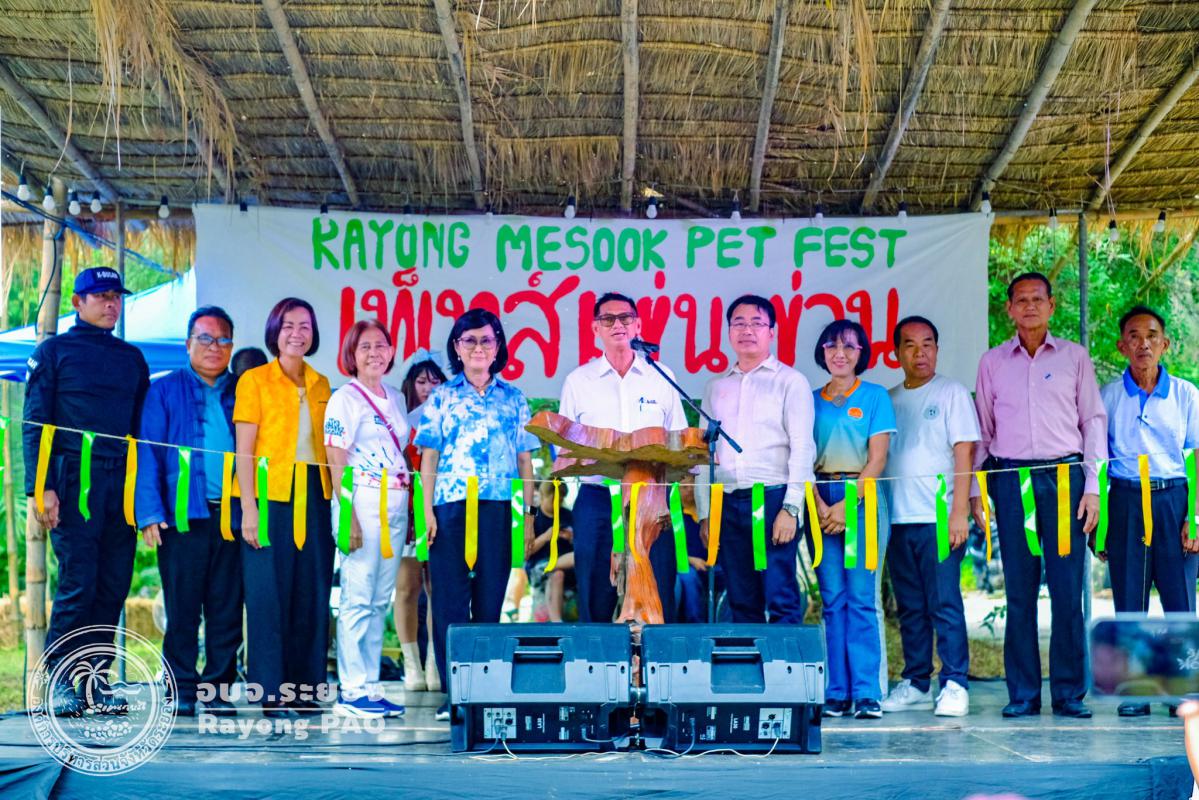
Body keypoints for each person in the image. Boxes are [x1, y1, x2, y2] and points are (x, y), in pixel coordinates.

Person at [971, 271, 1107, 719]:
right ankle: (1023, 694)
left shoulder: (1074, 357)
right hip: (1012, 481)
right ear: (1009, 308)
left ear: (1052, 306)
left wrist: (1093, 488)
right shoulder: (992, 362)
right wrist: (977, 491)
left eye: (1037, 299)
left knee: (1067, 591)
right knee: (1019, 590)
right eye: (1021, 300)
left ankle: (1068, 693)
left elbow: (1093, 422)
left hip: (1066, 479)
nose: (1029, 306)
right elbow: (983, 431)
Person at [23, 267, 150, 716]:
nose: (111, 303)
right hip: (73, 479)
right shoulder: (53, 351)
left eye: (117, 296)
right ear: (78, 302)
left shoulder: (132, 358)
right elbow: (34, 424)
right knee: (79, 581)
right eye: (101, 296)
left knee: (113, 584)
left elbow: (142, 431)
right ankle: (59, 681)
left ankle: (94, 680)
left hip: (122, 482)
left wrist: (145, 496)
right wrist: (40, 489)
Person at [415, 308, 538, 721]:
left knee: (489, 600)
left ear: (498, 346)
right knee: (449, 603)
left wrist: (528, 516)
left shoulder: (514, 397)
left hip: (499, 509)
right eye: (469, 340)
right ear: (457, 347)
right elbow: (429, 458)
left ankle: (485, 691)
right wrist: (426, 512)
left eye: (487, 340)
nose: (479, 348)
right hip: (449, 510)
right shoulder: (442, 396)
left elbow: (525, 461)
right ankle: (455, 696)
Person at [135, 305, 242, 718]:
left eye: (223, 339)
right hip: (182, 516)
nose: (214, 347)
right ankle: (180, 687)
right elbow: (147, 452)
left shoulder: (243, 390)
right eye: (205, 338)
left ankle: (218, 688)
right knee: (182, 607)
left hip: (235, 518)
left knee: (226, 608)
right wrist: (149, 512)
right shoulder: (163, 390)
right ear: (187, 343)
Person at [558, 292, 687, 623]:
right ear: (595, 329)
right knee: (595, 593)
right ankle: (597, 657)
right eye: (608, 319)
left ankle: (657, 656)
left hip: (652, 499)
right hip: (598, 498)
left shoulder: (661, 376)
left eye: (625, 318)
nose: (618, 324)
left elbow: (679, 441)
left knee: (658, 590)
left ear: (638, 325)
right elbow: (563, 449)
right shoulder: (578, 381)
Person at [234, 297, 333, 717]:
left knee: (313, 592)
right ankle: (271, 692)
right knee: (268, 595)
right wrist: (249, 508)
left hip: (315, 494)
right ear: (275, 331)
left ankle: (306, 690)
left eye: (305, 326)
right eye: (289, 325)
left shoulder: (322, 383)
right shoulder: (254, 380)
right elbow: (243, 450)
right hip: (269, 494)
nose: (297, 333)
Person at [1099, 305, 1199, 717]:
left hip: (1174, 499)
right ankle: (1136, 689)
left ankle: (1182, 689)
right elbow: (1097, 462)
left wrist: (1195, 518)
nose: (1144, 344)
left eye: (1152, 335)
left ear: (1165, 344)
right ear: (1121, 346)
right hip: (1125, 500)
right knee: (1129, 598)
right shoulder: (1108, 396)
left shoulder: (1186, 394)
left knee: (1180, 599)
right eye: (1134, 336)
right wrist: (1102, 525)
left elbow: (1197, 457)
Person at [695, 294, 814, 626]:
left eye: (757, 323)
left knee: (780, 595)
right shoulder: (715, 386)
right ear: (729, 332)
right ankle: (750, 661)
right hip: (726, 502)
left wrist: (791, 508)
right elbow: (704, 455)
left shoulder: (790, 381)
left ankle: (784, 661)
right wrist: (705, 513)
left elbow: (803, 447)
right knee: (740, 598)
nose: (747, 330)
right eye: (739, 323)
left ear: (771, 332)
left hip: (774, 499)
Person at [880, 316, 977, 717]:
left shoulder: (951, 392)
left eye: (927, 345)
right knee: (910, 606)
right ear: (896, 352)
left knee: (945, 603)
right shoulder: (887, 399)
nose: (920, 353)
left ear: (937, 349)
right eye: (910, 345)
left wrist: (959, 513)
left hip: (938, 517)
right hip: (896, 519)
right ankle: (917, 681)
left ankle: (955, 683)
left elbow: (964, 453)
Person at [323, 320, 410, 719]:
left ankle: (371, 686)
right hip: (362, 501)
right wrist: (349, 515)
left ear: (391, 351)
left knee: (379, 599)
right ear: (352, 355)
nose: (374, 353)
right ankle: (351, 689)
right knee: (357, 596)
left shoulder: (396, 397)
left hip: (396, 503)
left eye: (381, 345)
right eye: (364, 347)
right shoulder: (345, 398)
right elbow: (335, 458)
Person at [809, 319, 895, 720]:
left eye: (849, 346)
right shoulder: (809, 400)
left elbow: (878, 459)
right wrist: (818, 503)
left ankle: (866, 692)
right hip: (818, 497)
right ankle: (836, 692)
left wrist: (847, 504)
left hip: (862, 498)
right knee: (832, 599)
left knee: (861, 597)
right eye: (831, 346)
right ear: (822, 352)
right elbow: (800, 455)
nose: (839, 353)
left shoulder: (875, 396)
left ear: (862, 353)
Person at [395, 355, 446, 692]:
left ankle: (433, 663)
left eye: (434, 381)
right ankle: (411, 664)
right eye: (421, 382)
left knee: (437, 588)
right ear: (410, 385)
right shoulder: (399, 418)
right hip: (405, 505)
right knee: (406, 587)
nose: (428, 388)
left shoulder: (448, 417)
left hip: (440, 507)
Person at [526, 480, 575, 622]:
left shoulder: (567, 514)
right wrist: (546, 537)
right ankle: (556, 621)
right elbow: (524, 553)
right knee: (558, 574)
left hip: (565, 565)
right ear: (542, 496)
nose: (557, 504)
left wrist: (571, 538)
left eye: (560, 500)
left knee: (580, 556)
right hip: (538, 567)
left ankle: (557, 621)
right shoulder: (532, 514)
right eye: (554, 499)